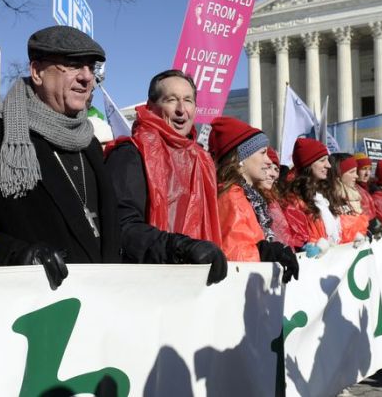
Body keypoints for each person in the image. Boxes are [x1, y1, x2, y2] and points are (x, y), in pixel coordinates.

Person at [0, 25, 123, 289]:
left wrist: (172, 246)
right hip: (27, 310)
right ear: (37, 72)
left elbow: (114, 231)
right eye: (73, 64)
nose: (87, 77)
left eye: (91, 67)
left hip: (99, 305)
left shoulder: (90, 142)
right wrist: (17, 254)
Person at [104, 69, 227, 285]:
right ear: (151, 107)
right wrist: (178, 248)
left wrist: (263, 249)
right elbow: (122, 227)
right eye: (171, 100)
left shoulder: (202, 159)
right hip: (148, 287)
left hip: (199, 284)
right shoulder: (130, 153)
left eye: (188, 100)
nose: (181, 110)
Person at [208, 117, 299, 283]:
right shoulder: (232, 196)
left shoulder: (248, 195)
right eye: (262, 152)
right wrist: (268, 251)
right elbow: (236, 257)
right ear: (241, 158)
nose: (269, 161)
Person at [353, 153, 376, 219]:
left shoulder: (370, 189)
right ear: (356, 170)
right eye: (363, 169)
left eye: (369, 169)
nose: (367, 173)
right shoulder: (352, 190)